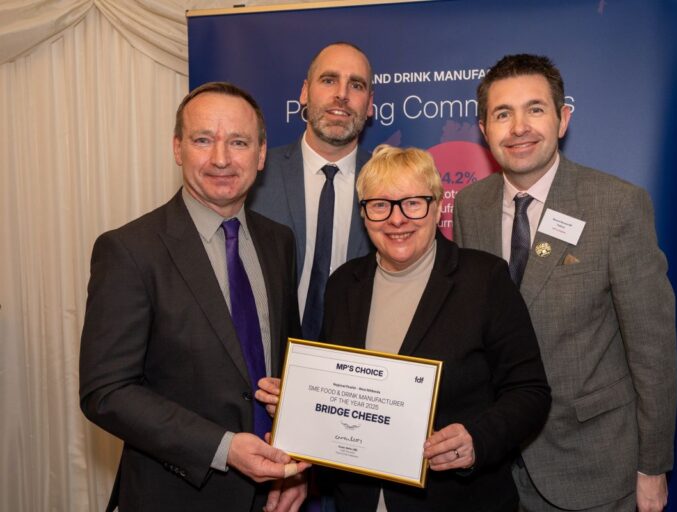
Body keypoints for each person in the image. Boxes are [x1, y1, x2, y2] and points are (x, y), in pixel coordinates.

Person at [259, 145, 551, 511]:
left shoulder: (484, 280)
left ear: (437, 205)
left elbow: (530, 391)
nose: (397, 219)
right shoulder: (344, 284)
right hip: (359, 500)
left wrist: (477, 439)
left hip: (456, 500)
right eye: (380, 204)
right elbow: (338, 389)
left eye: (413, 202)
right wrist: (299, 404)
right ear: (364, 213)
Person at [453, 54, 677, 512]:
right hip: (494, 467)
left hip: (592, 468)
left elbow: (653, 352)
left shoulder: (616, 206)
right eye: (502, 113)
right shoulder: (469, 207)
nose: (519, 127)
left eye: (535, 108)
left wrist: (652, 468)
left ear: (562, 119)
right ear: (483, 128)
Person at [79, 82, 310, 512]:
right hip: (176, 496)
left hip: (273, 497)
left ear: (261, 156)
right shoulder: (129, 250)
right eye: (203, 140)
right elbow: (106, 391)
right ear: (177, 148)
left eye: (238, 142)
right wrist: (222, 447)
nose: (221, 158)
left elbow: (286, 368)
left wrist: (294, 469)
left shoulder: (279, 242)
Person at [249, 41, 374, 342]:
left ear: (370, 104)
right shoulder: (255, 175)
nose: (342, 94)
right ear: (305, 92)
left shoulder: (389, 185)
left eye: (356, 85)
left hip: (355, 370)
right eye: (329, 80)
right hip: (266, 364)